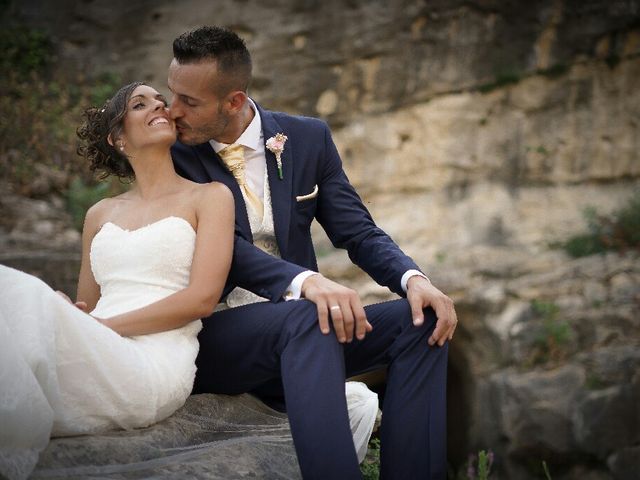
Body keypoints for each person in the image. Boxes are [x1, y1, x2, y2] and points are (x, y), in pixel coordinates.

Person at [169, 26, 458, 479]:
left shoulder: (307, 139)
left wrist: (414, 279)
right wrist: (305, 282)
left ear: (234, 101)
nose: (173, 111)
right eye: (172, 95)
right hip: (221, 336)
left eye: (190, 101)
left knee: (420, 322)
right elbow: (228, 250)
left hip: (310, 339)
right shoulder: (173, 154)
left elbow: (357, 230)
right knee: (309, 314)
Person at [0, 82, 235, 480]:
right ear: (118, 138)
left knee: (15, 290)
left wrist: (100, 328)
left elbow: (201, 300)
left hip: (152, 364)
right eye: (140, 104)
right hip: (97, 345)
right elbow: (85, 305)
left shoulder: (210, 197)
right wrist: (65, 313)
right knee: (22, 301)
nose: (159, 106)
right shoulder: (99, 214)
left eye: (160, 101)